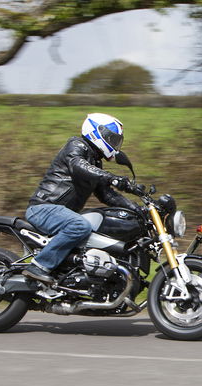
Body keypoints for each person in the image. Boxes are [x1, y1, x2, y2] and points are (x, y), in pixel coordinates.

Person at [23, 112, 139, 284]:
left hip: (61, 213)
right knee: (80, 225)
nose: (115, 145)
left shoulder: (95, 162)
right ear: (97, 132)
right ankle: (39, 266)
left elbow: (106, 194)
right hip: (44, 208)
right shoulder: (77, 145)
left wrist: (137, 209)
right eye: (112, 139)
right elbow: (78, 165)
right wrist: (111, 177)